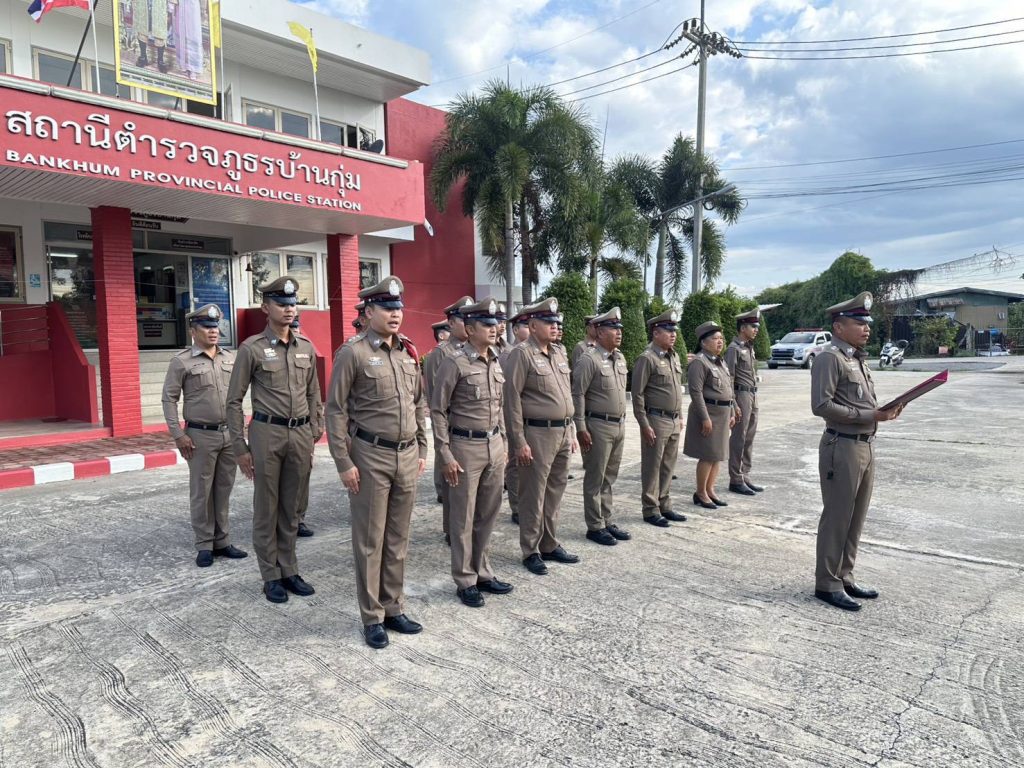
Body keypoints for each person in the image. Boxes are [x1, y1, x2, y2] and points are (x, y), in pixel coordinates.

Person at [325, 276, 428, 648]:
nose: (395, 314)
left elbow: (418, 403)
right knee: (371, 540)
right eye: (386, 307)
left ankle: (393, 607)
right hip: (370, 456)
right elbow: (335, 410)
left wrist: (422, 448)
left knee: (398, 539)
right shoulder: (352, 353)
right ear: (368, 312)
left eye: (398, 307)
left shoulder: (407, 352)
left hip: (406, 455)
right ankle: (372, 617)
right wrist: (343, 461)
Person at [226, 276, 323, 604]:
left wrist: (314, 432)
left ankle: (289, 569)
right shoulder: (251, 348)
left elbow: (314, 394)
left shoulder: (305, 348)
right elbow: (233, 401)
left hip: (300, 435)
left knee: (292, 508)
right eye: (281, 304)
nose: (289, 309)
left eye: (292, 304)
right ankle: (271, 575)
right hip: (267, 434)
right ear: (266, 308)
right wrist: (240, 447)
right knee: (267, 508)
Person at [812, 292, 903, 612]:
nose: (866, 328)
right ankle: (827, 583)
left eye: (867, 323)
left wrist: (884, 412)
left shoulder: (856, 358)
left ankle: (844, 576)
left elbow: (858, 401)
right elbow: (821, 405)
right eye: (859, 323)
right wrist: (869, 415)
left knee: (856, 517)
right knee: (837, 517)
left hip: (864, 444)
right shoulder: (829, 358)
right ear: (839, 327)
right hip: (842, 445)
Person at [431, 297, 514, 607]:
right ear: (469, 329)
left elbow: (499, 406)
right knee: (463, 517)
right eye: (486, 324)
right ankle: (465, 579)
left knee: (488, 514)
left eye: (495, 323)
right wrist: (445, 453)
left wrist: (504, 442)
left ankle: (483, 572)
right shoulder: (454, 362)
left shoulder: (495, 360)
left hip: (493, 445)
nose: (493, 329)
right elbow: (438, 411)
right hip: (465, 446)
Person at [161, 304, 246, 567]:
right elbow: (169, 399)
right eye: (206, 327)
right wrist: (178, 434)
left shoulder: (230, 358)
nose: (213, 331)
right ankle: (204, 544)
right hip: (199, 436)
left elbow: (238, 396)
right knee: (202, 491)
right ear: (193, 331)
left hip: (228, 434)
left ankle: (223, 540)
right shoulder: (182, 361)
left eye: (215, 326)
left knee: (223, 489)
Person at [503, 297, 580, 575]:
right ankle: (530, 550)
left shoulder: (559, 352)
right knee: (533, 495)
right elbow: (511, 400)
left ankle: (549, 543)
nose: (554, 326)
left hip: (562, 432)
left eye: (555, 322)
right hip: (537, 433)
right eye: (548, 322)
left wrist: (571, 429)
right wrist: (519, 441)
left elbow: (566, 394)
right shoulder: (521, 354)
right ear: (533, 325)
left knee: (555, 492)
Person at [572, 307, 631, 547]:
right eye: (613, 328)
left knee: (609, 477)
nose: (619, 333)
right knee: (595, 478)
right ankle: (595, 526)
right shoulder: (589, 359)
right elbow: (578, 394)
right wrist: (580, 427)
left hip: (618, 425)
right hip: (597, 425)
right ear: (599, 332)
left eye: (619, 328)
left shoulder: (620, 358)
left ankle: (606, 520)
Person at [632, 310, 687, 527]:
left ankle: (665, 504)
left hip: (673, 420)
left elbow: (676, 389)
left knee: (668, 467)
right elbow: (637, 394)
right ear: (656, 333)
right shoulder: (647, 358)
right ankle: (650, 509)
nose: (673, 334)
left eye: (674, 330)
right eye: (668, 331)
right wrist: (644, 424)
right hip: (656, 419)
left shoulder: (673, 356)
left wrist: (680, 415)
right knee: (652, 466)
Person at [423, 296, 473, 533]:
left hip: (473, 431)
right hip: (453, 428)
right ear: (451, 323)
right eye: (464, 320)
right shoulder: (440, 354)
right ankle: (452, 532)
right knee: (453, 487)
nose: (469, 324)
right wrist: (442, 439)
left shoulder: (475, 351)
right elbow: (437, 400)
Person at [684, 322, 737, 509]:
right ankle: (700, 493)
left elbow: (728, 389)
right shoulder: (699, 362)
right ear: (703, 342)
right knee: (707, 455)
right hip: (709, 414)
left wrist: (732, 411)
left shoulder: (720, 361)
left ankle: (710, 489)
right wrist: (705, 418)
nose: (720, 342)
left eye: (721, 338)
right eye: (715, 339)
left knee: (717, 455)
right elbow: (696, 392)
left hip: (722, 415)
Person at [289, 315, 321, 538]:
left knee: (302, 476)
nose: (295, 331)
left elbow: (314, 392)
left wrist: (316, 424)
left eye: (297, 328)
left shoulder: (305, 351)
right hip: (279, 428)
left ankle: (299, 518)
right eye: (292, 328)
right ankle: (283, 520)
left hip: (303, 427)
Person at [727, 309, 764, 496]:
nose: (756, 329)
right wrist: (733, 404)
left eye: (757, 326)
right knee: (739, 438)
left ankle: (745, 474)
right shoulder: (733, 349)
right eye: (753, 326)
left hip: (752, 395)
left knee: (749, 437)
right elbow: (729, 378)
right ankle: (735, 478)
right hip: (740, 395)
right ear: (743, 328)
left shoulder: (749, 347)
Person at [500, 310, 530, 525]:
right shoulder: (509, 354)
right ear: (516, 330)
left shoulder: (530, 353)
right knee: (515, 463)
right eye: (526, 326)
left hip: (530, 419)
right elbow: (508, 393)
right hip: (511, 416)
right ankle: (517, 506)